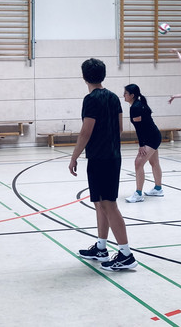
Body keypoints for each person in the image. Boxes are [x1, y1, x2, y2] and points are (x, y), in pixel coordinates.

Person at [69, 58, 137, 271]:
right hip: (110, 156)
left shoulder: (91, 99)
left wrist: (74, 156)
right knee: (99, 202)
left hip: (102, 159)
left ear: (84, 76)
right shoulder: (114, 98)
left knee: (109, 204)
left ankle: (126, 254)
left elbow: (85, 131)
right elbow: (119, 128)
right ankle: (101, 247)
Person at [123, 84, 163, 203]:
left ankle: (138, 194)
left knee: (138, 163)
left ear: (132, 95)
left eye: (125, 93)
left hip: (151, 138)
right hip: (153, 136)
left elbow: (139, 128)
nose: (123, 95)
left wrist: (141, 145)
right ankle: (158, 188)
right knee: (154, 162)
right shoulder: (137, 105)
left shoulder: (136, 107)